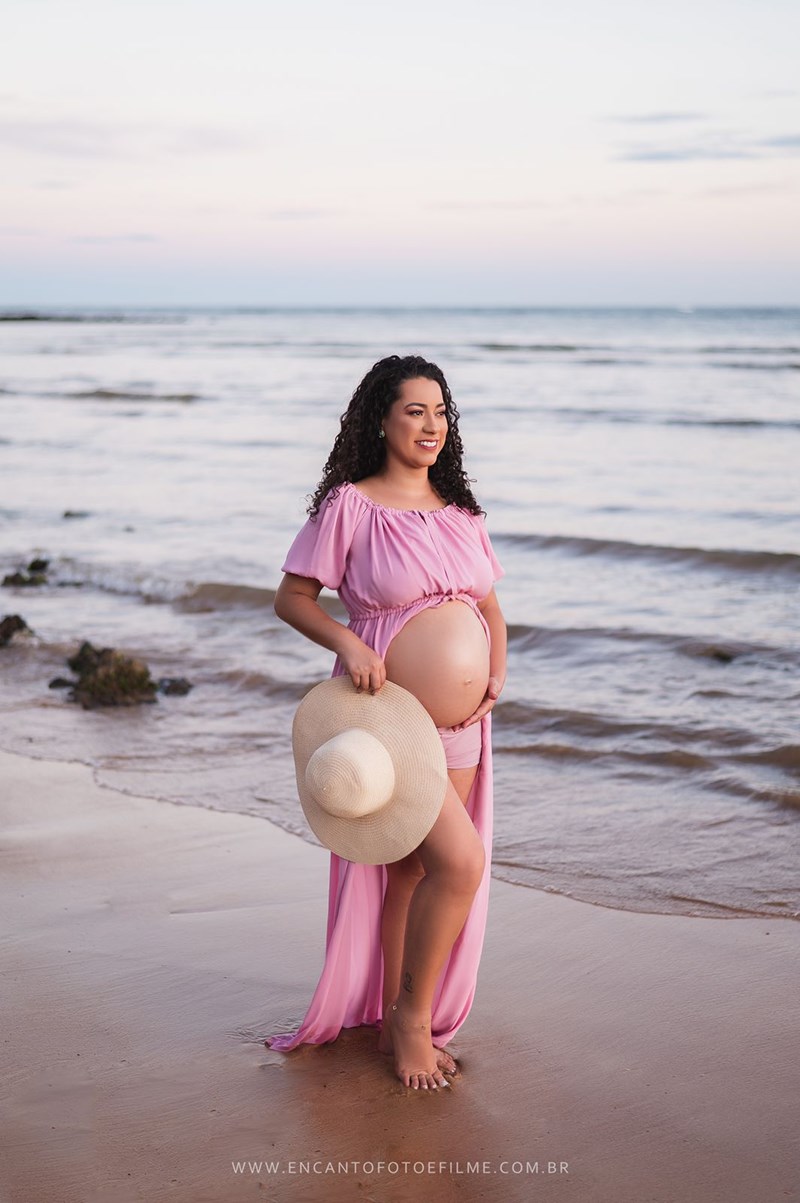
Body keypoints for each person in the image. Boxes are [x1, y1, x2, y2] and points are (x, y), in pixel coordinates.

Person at [266, 354, 507, 1091]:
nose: (432, 425)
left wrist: (494, 669)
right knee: (459, 865)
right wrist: (346, 638)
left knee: (413, 869)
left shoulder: (462, 513)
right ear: (381, 418)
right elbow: (294, 598)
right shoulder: (351, 505)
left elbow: (490, 607)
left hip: (465, 725)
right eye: (415, 411)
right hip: (388, 720)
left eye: (441, 412)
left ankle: (394, 1010)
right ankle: (408, 1019)